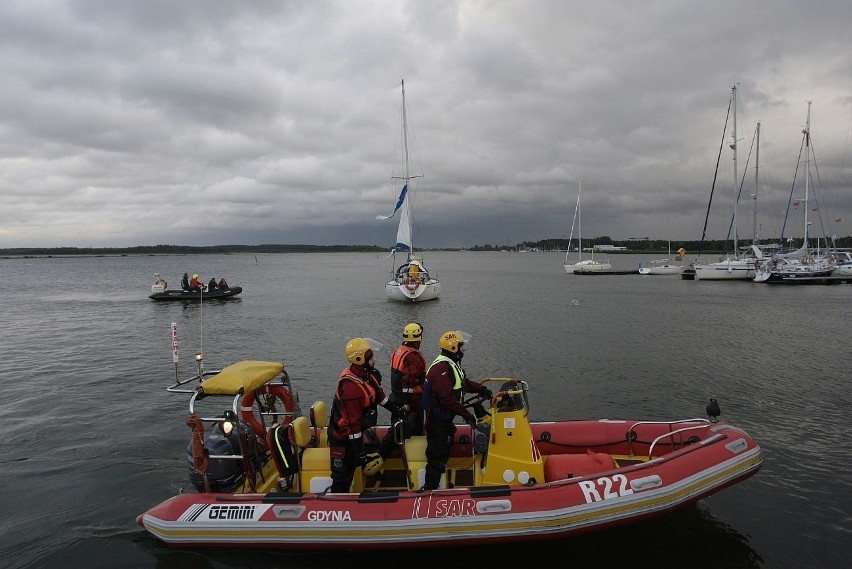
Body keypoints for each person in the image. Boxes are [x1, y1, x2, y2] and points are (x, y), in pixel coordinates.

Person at [420, 330, 491, 491]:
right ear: (453, 348)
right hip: (437, 420)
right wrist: (467, 416)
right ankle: (429, 489)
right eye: (461, 347)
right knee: (437, 455)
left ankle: (437, 484)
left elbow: (463, 383)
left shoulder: (452, 364)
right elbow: (447, 399)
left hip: (444, 418)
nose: (463, 350)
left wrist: (481, 389)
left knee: (443, 450)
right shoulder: (441, 369)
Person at [328, 338, 401, 493]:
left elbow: (380, 397)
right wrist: (358, 452)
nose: (374, 361)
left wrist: (397, 411)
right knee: (341, 478)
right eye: (371, 358)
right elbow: (352, 425)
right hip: (342, 438)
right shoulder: (350, 388)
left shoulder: (367, 376)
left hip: (356, 432)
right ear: (360, 359)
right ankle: (338, 508)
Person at [388, 322, 427, 438]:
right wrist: (407, 404)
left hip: (396, 397)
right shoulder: (412, 357)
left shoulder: (398, 351)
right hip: (411, 402)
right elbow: (408, 382)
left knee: (398, 428)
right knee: (413, 430)